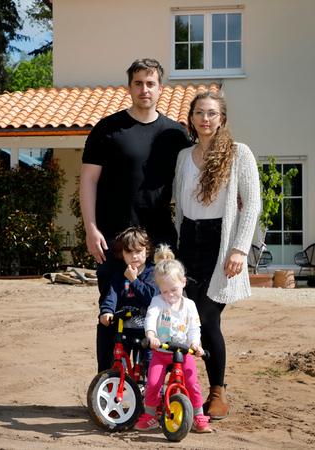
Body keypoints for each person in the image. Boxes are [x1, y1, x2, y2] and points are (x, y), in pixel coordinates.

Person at [80, 58, 191, 372]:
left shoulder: (175, 134)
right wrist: (91, 229)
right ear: (129, 87)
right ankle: (108, 381)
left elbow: (191, 180)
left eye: (151, 83)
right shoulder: (107, 130)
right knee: (112, 311)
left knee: (162, 311)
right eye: (139, 83)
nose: (145, 89)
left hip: (160, 243)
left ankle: (155, 386)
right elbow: (88, 180)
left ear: (160, 88)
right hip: (113, 239)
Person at [174, 90, 261, 419]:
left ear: (222, 118)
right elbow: (179, 208)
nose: (205, 118)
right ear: (192, 119)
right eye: (199, 113)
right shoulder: (184, 156)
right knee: (186, 318)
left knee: (209, 317)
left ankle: (218, 393)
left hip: (220, 243)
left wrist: (239, 248)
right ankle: (182, 388)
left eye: (211, 113)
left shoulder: (239, 153)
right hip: (188, 243)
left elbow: (252, 204)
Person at [135, 245, 212, 433]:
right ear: (159, 289)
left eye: (174, 290)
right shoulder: (157, 302)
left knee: (192, 383)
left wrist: (195, 344)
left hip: (183, 352)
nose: (169, 295)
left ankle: (198, 416)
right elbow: (151, 318)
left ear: (184, 283)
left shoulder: (190, 305)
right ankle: (151, 415)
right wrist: (151, 335)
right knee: (153, 383)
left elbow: (194, 327)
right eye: (164, 291)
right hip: (161, 352)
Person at [98, 227, 158, 370]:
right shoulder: (119, 275)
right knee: (118, 362)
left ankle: (153, 390)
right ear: (122, 254)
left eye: (138, 251)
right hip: (124, 328)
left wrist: (134, 280)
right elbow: (111, 295)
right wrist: (106, 311)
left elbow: (151, 298)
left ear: (147, 251)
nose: (134, 256)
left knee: (150, 365)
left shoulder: (153, 272)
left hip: (148, 330)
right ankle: (120, 385)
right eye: (129, 252)